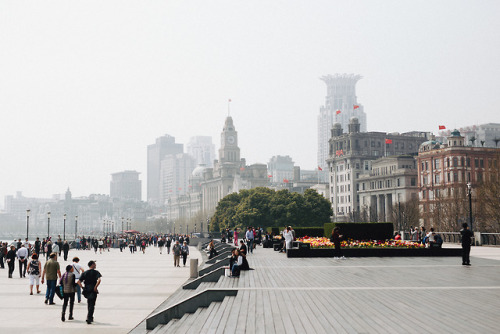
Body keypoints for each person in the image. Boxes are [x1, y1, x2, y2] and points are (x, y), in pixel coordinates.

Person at [78, 260, 102, 324]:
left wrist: (82, 287)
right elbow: (99, 280)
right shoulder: (96, 272)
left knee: (89, 303)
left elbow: (78, 281)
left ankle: (90, 316)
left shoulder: (85, 273)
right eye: (94, 264)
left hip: (87, 289)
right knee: (92, 304)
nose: (95, 265)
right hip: (93, 289)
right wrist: (95, 287)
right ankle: (89, 317)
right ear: (92, 265)